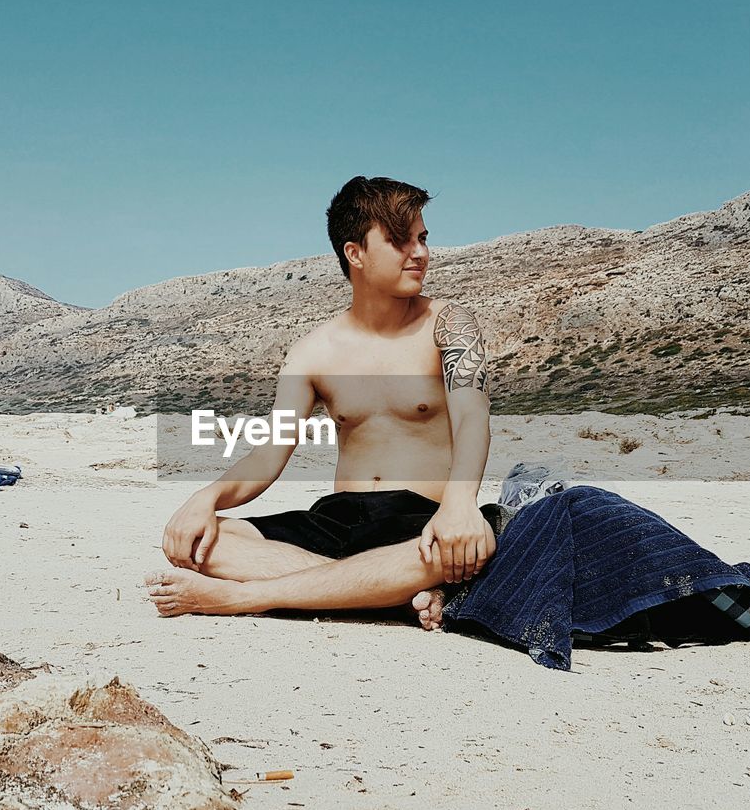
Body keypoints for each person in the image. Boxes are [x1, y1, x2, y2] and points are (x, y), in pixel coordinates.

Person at [147, 175, 492, 629]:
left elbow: (472, 418)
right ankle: (389, 595)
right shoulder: (314, 351)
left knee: (466, 543)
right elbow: (269, 454)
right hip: (336, 522)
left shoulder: (448, 326)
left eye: (423, 238)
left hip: (420, 517)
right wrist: (205, 497)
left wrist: (461, 502)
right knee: (202, 540)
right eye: (399, 240)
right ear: (356, 253)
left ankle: (247, 597)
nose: (420, 252)